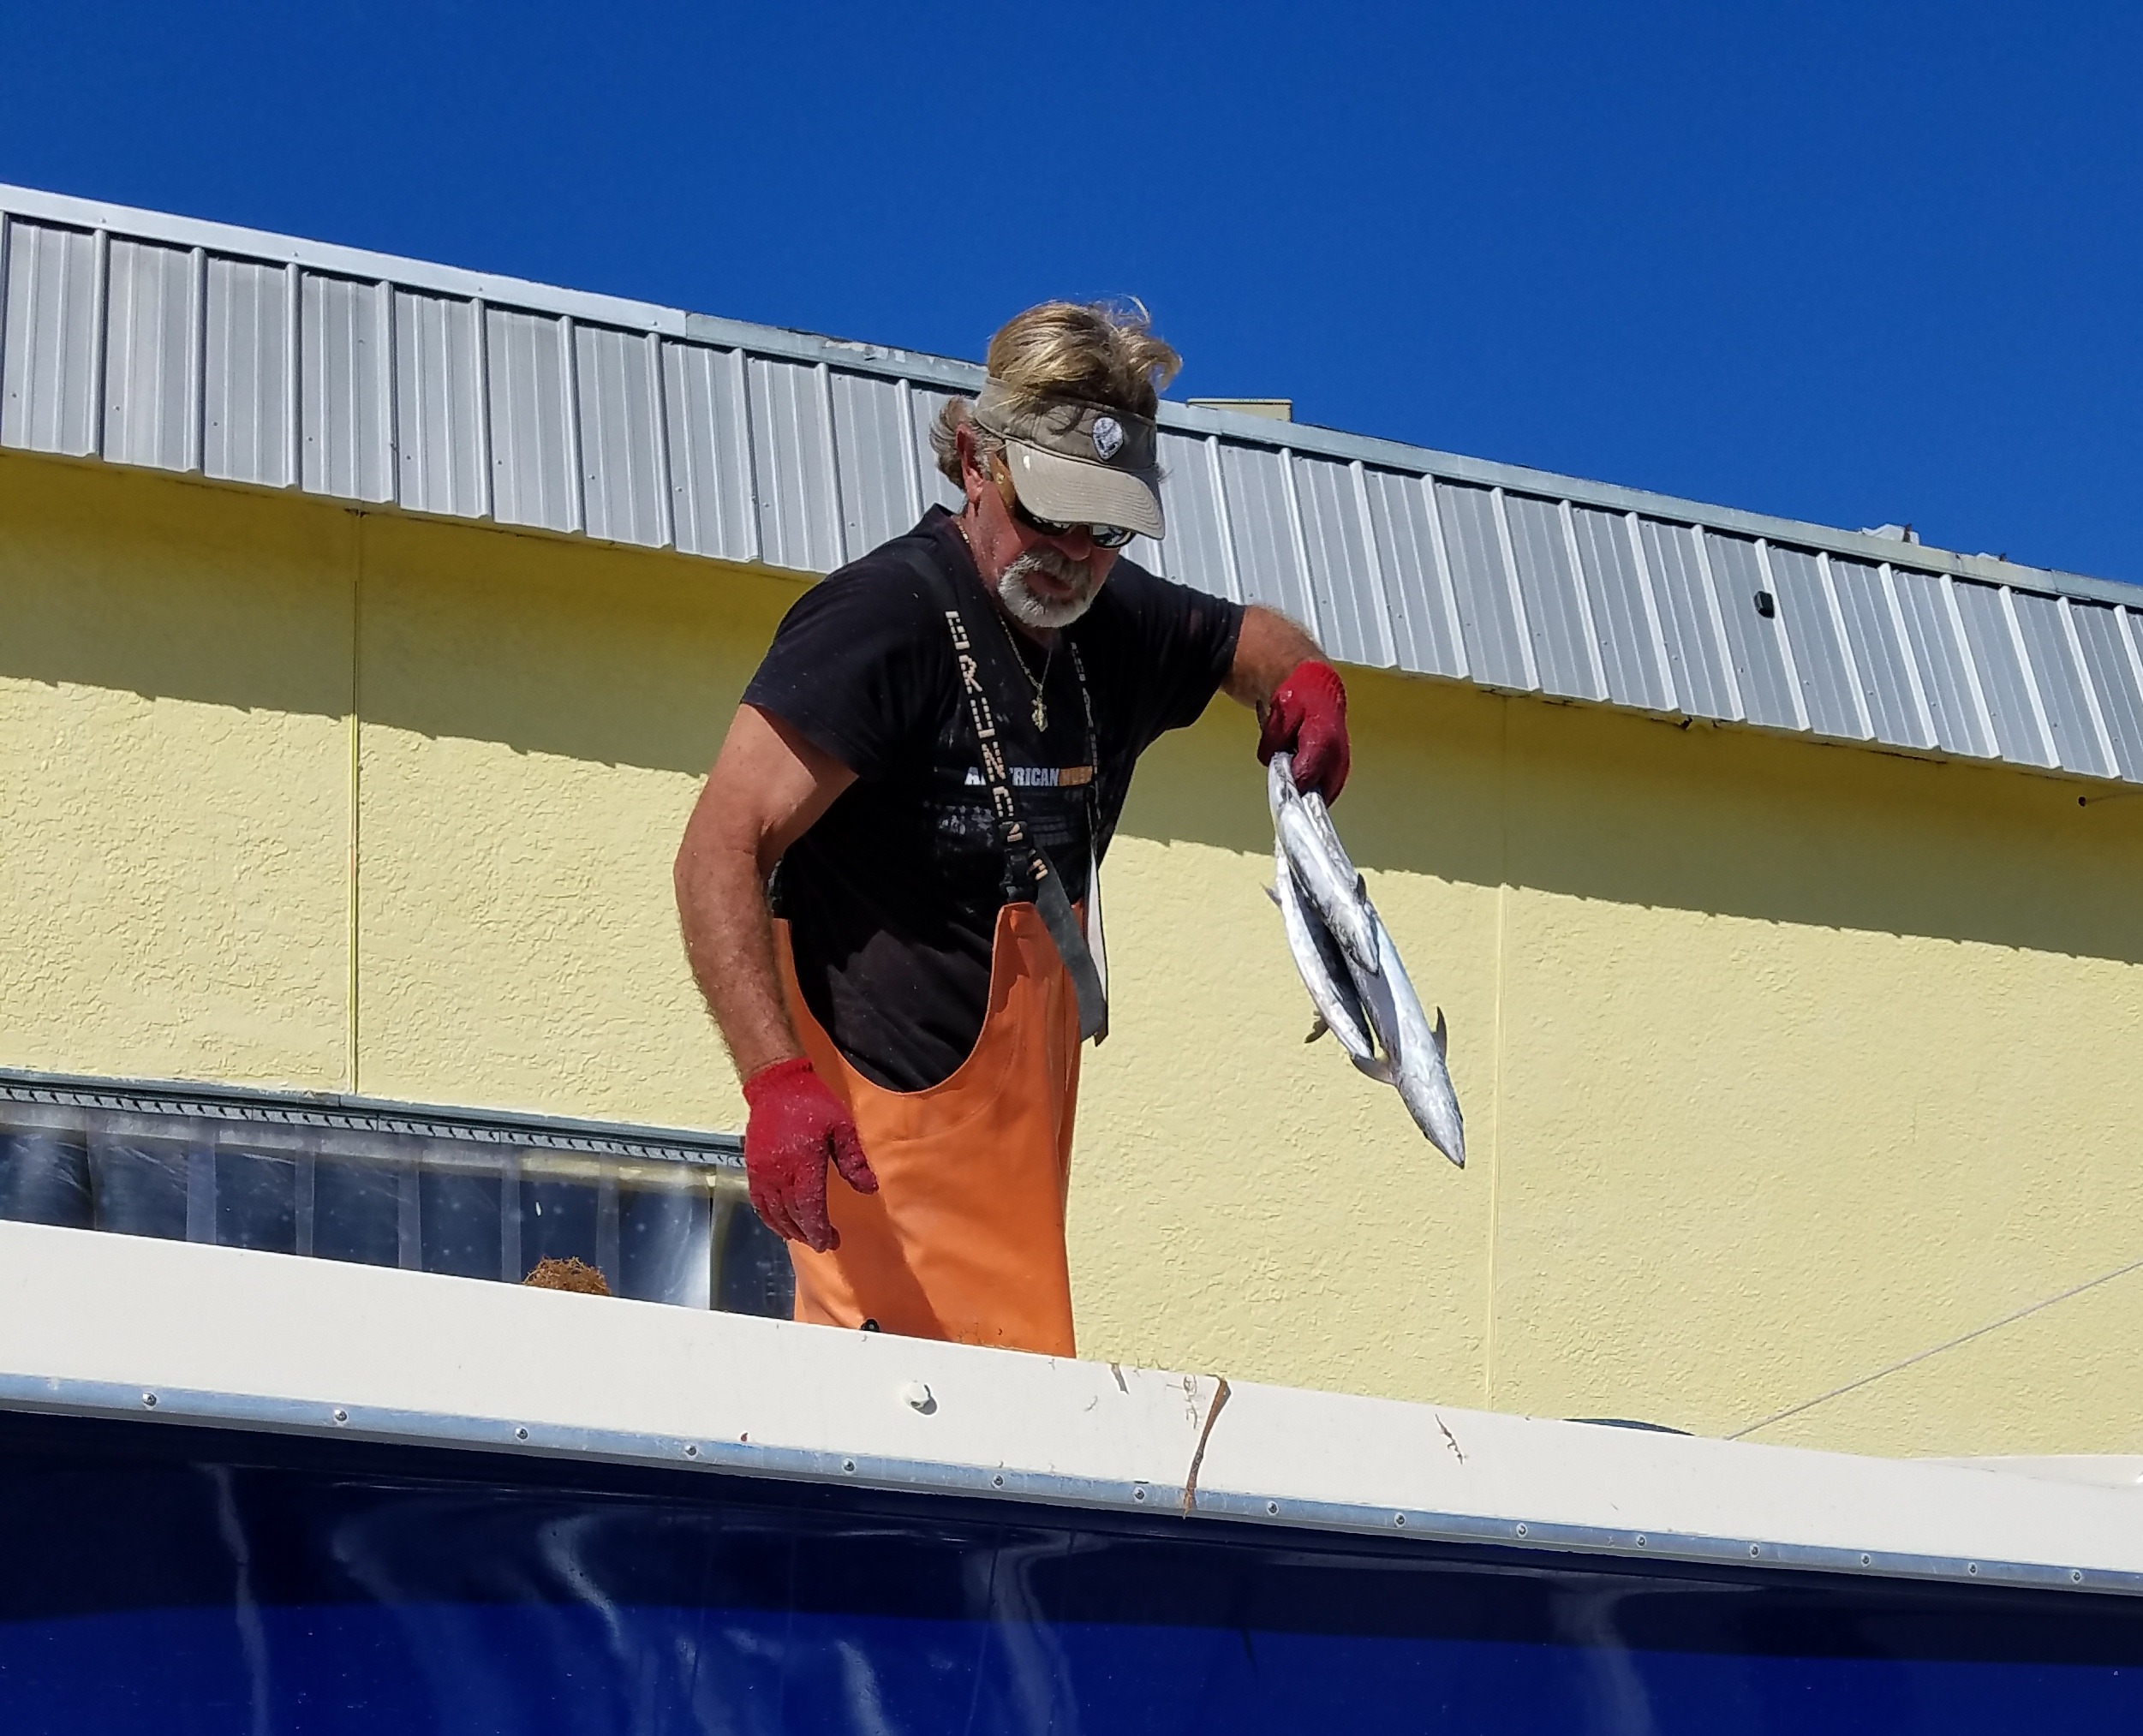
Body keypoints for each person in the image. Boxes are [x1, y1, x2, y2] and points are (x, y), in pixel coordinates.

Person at [674, 301, 1350, 1357]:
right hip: (870, 1195)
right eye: (1050, 516)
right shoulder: (884, 617)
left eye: (1107, 530)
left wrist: (1304, 678)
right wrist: (775, 1083)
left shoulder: (1109, 622)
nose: (1073, 558)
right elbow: (718, 845)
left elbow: (1247, 639)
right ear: (974, 459)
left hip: (1020, 1209)